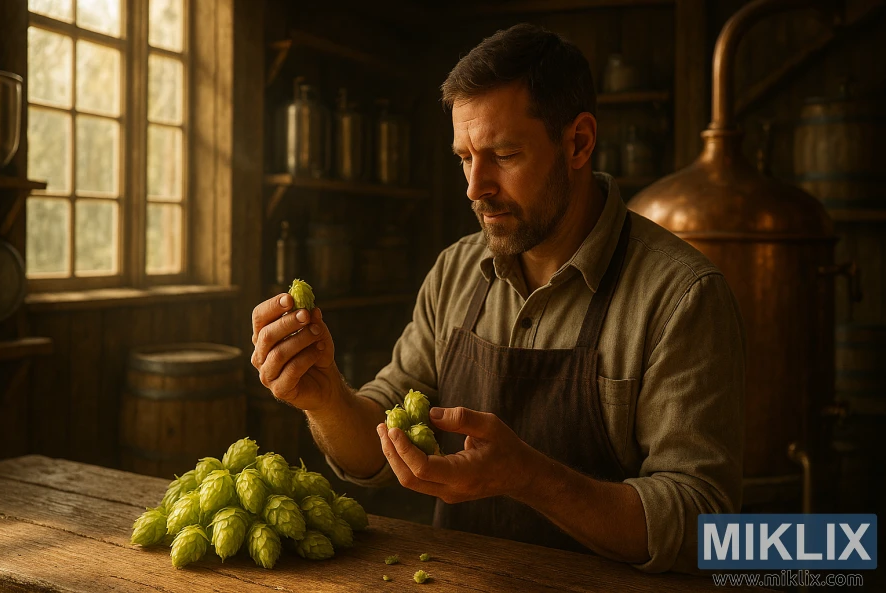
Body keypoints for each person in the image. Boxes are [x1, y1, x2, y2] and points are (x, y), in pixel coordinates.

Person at [250, 23, 745, 574]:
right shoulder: (455, 271)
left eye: (504, 155)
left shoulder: (681, 297)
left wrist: (529, 477)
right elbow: (374, 447)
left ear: (578, 142)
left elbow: (705, 526)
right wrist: (325, 397)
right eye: (464, 156)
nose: (474, 186)